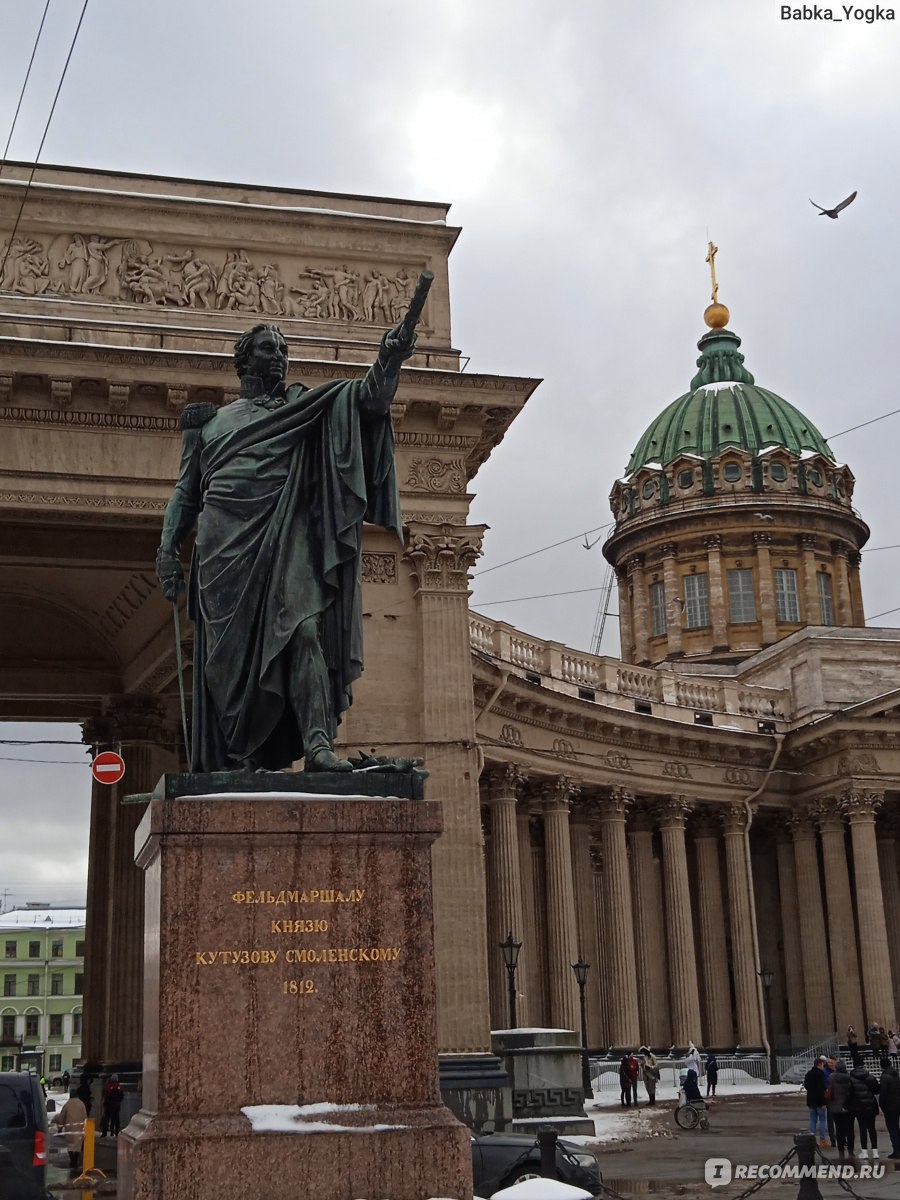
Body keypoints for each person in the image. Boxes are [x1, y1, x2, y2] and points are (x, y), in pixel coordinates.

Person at [156, 313, 418, 774]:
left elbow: (369, 400)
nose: (278, 356)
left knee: (304, 630)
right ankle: (241, 754)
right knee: (229, 661)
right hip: (223, 547)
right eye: (266, 348)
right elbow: (186, 491)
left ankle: (318, 745)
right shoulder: (209, 423)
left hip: (286, 531)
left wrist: (390, 358)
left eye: (282, 349)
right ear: (243, 361)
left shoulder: (305, 409)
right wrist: (167, 549)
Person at [848, 1061, 880, 1160]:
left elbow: (849, 1093)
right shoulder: (870, 1076)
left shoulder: (851, 1078)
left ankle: (864, 1151)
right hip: (871, 1105)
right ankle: (875, 1151)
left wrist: (848, 1105)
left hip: (858, 1106)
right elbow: (877, 1090)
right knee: (872, 1129)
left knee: (862, 1129)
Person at [827, 1060, 855, 1162]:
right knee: (850, 1130)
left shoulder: (832, 1077)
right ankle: (851, 1152)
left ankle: (841, 1152)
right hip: (848, 1108)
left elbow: (830, 1089)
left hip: (835, 1107)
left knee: (839, 1130)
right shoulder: (849, 1078)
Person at [54, 1088, 87, 1171]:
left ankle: (72, 1159)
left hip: (69, 1128)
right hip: (79, 1127)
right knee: (77, 1145)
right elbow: (85, 1117)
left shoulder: (67, 1104)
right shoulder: (81, 1104)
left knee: (70, 1145)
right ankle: (75, 1159)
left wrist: (60, 1128)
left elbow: (62, 1117)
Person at [803, 1056, 829, 1147]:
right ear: (819, 1064)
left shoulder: (809, 1074)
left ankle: (812, 1140)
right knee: (822, 1120)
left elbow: (806, 1086)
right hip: (819, 1101)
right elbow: (821, 1088)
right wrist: (823, 1102)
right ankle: (822, 1140)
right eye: (823, 1064)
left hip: (810, 1100)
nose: (823, 1066)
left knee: (813, 1121)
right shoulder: (820, 1074)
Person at [878, 1059, 900, 1159]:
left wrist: (881, 1105)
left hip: (889, 1106)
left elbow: (883, 1094)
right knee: (896, 1127)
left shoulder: (884, 1077)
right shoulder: (896, 1075)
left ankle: (897, 1150)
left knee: (892, 1128)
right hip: (897, 1104)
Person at [100, 1073, 124, 1138]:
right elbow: (121, 1097)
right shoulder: (119, 1087)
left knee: (106, 1119)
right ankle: (117, 1133)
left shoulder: (108, 1086)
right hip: (116, 1106)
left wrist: (105, 1103)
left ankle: (104, 1133)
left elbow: (105, 1096)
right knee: (116, 1120)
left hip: (108, 1106)